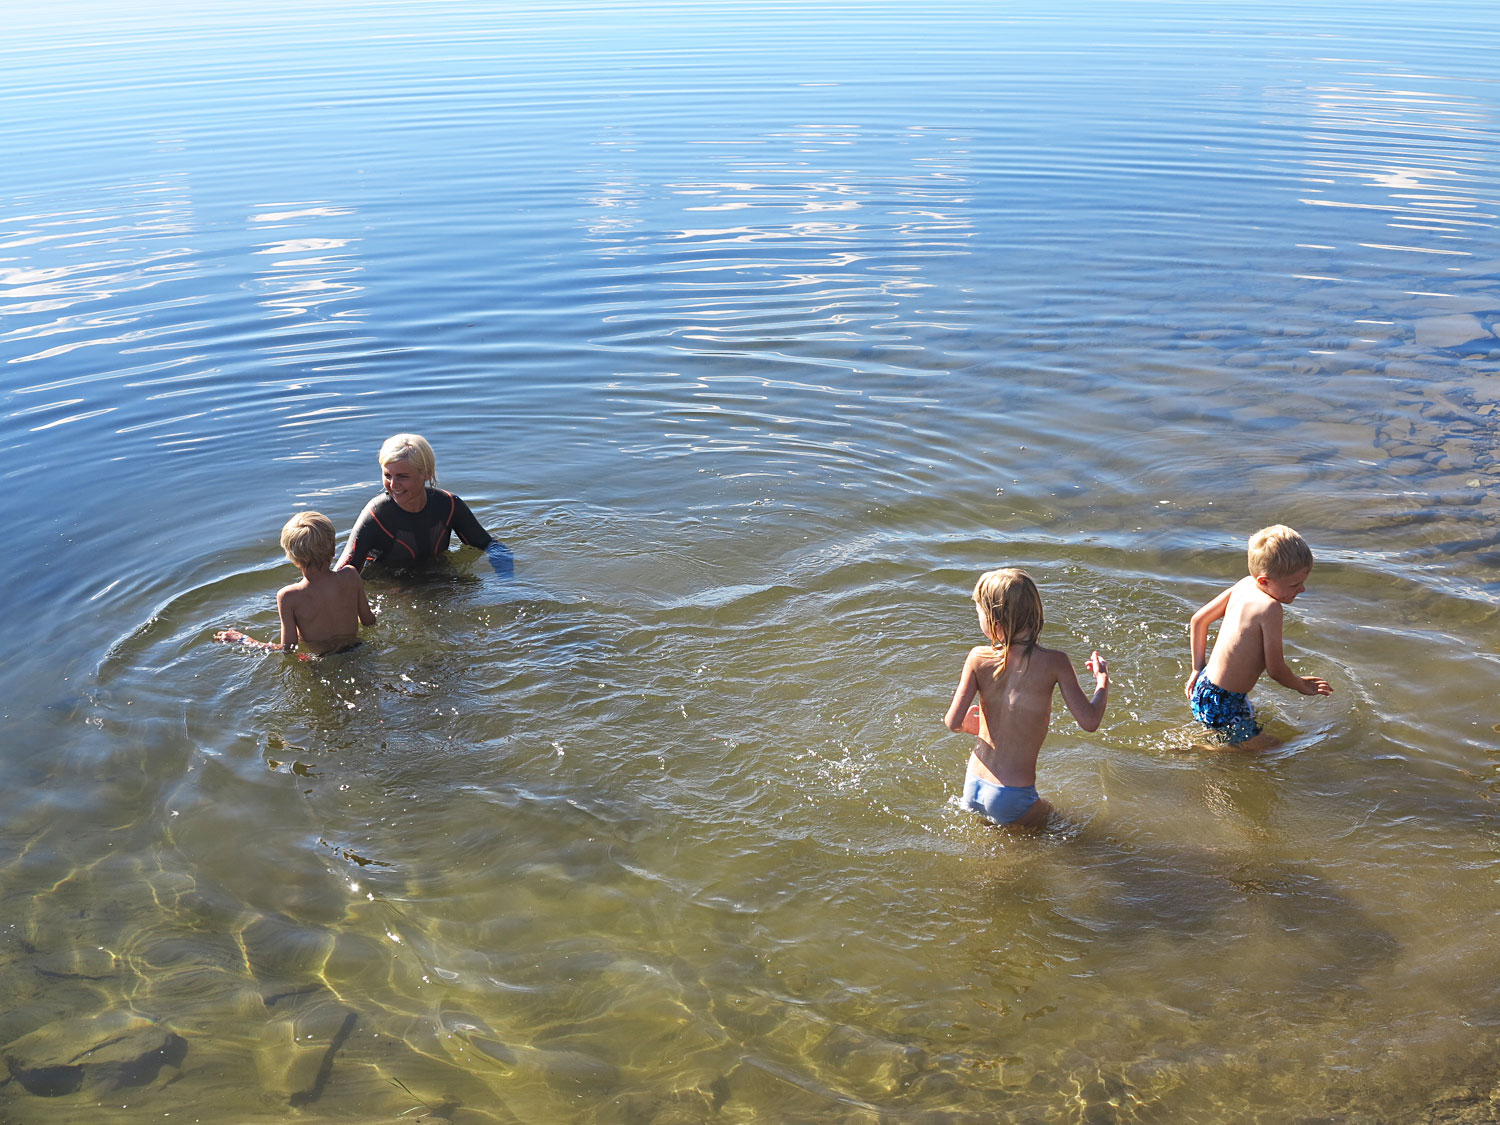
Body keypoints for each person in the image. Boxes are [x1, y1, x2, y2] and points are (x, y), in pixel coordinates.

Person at [943, 568, 1108, 831]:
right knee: (1069, 830)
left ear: (995, 622)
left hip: (973, 782)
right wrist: (1101, 682)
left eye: (979, 614)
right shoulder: (1056, 662)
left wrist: (969, 726)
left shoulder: (977, 657)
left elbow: (952, 722)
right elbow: (1090, 721)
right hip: (1011, 794)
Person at [1185, 524, 1332, 750]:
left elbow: (1198, 620)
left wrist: (1197, 668)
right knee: (1275, 750)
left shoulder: (1245, 584)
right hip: (1224, 703)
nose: (1302, 589)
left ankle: (1211, 741)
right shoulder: (1270, 609)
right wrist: (1300, 685)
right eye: (1294, 584)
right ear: (1264, 581)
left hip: (1205, 686)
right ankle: (1195, 750)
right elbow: (1276, 670)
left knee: (1241, 738)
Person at [338, 433, 512, 576]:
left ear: (426, 474)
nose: (393, 484)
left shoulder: (448, 505)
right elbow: (344, 570)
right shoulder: (376, 515)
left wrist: (507, 580)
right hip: (393, 586)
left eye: (403, 476)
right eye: (387, 475)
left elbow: (488, 545)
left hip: (439, 576)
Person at [215, 511, 376, 655]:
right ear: (333, 549)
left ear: (292, 558)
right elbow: (369, 621)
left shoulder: (289, 596)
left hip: (323, 660)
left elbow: (288, 648)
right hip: (358, 649)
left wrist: (243, 639)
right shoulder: (350, 575)